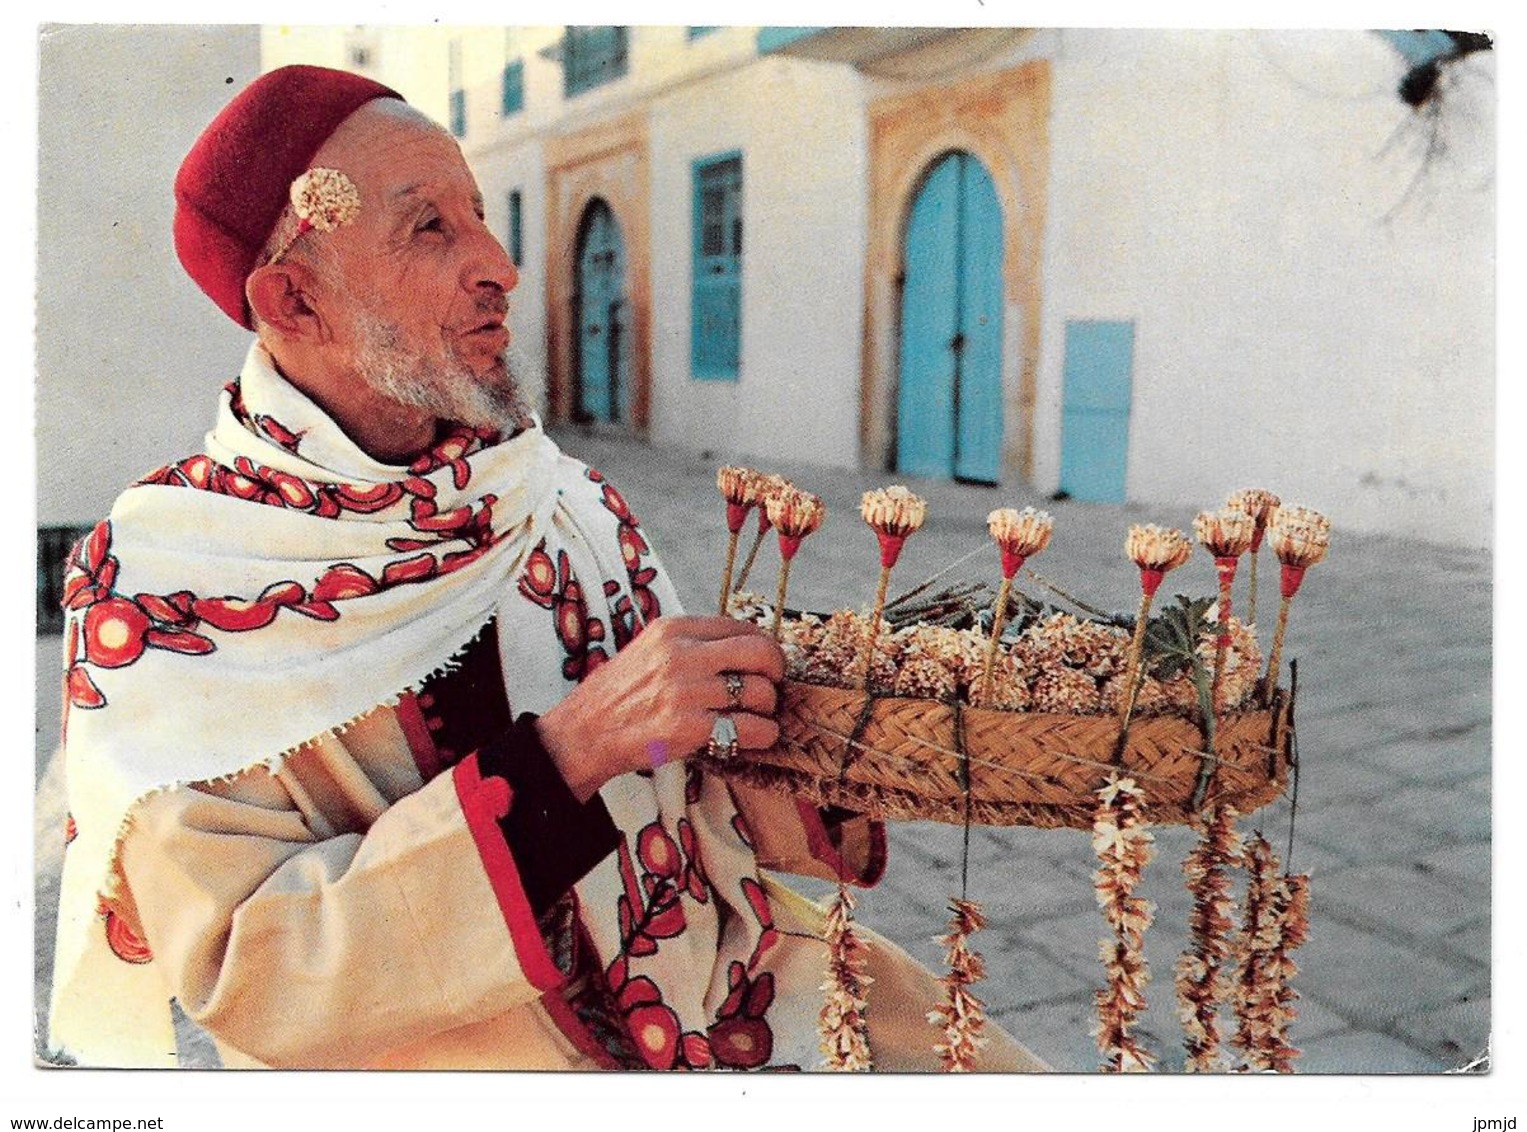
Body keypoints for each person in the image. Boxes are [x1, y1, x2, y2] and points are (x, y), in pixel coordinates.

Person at [47, 64, 1046, 1072]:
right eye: (429, 227)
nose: (501, 265)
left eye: (478, 213)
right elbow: (247, 973)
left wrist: (836, 748)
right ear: (294, 299)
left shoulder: (557, 496)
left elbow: (692, 799)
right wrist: (569, 754)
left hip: (718, 988)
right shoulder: (163, 590)